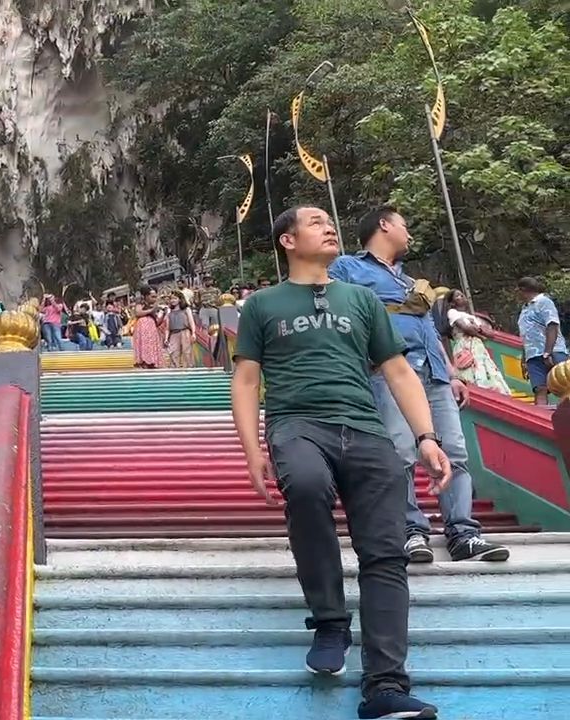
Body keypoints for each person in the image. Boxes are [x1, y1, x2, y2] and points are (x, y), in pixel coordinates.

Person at [232, 206, 448, 720]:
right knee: (305, 487)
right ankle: (330, 620)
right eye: (314, 221)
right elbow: (244, 381)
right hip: (297, 424)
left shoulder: (362, 300)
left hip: (367, 430)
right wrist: (251, 451)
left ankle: (386, 687)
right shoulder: (262, 305)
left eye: (330, 220)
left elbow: (396, 370)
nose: (329, 226)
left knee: (385, 554)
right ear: (287, 240)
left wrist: (426, 436)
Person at [331, 206, 508, 564]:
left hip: (434, 374)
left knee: (454, 452)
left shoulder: (411, 283)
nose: (408, 233)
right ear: (384, 225)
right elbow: (336, 315)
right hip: (389, 372)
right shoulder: (348, 268)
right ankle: (412, 531)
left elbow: (428, 329)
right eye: (404, 225)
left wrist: (452, 373)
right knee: (400, 452)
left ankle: (463, 532)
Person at [444, 289, 511, 395]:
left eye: (462, 295)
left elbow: (490, 334)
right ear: (452, 302)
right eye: (458, 296)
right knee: (468, 368)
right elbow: (467, 329)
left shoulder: (472, 317)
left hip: (478, 347)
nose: (462, 297)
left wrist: (477, 330)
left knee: (485, 369)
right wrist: (479, 331)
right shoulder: (453, 313)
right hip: (465, 346)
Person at [516, 276, 568, 405]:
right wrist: (524, 359)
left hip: (553, 351)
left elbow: (552, 325)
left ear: (522, 290)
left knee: (566, 383)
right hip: (532, 355)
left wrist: (547, 352)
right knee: (540, 389)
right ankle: (542, 419)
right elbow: (526, 335)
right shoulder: (524, 309)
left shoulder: (544, 302)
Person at [132, 287, 165, 369]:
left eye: (155, 297)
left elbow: (157, 322)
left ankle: (152, 361)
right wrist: (151, 310)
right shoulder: (141, 304)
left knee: (151, 344)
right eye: (152, 296)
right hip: (142, 327)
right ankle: (143, 361)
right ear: (146, 296)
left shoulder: (154, 306)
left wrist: (164, 314)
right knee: (144, 344)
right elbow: (138, 313)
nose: (154, 299)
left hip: (152, 327)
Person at [164, 292, 196, 368]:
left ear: (180, 299)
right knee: (173, 352)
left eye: (175, 298)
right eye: (171, 299)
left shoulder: (186, 309)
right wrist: (166, 338)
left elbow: (191, 322)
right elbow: (167, 327)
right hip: (173, 333)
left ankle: (188, 369)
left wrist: (193, 333)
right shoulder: (169, 311)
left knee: (186, 352)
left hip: (185, 331)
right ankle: (175, 369)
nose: (173, 300)